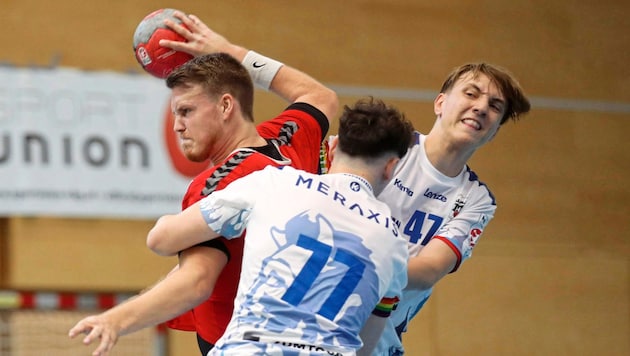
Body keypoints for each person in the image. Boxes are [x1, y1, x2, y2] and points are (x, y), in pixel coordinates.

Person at [68, 11, 338, 356]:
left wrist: (117, 320)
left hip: (241, 345)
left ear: (226, 105)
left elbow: (196, 280)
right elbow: (321, 98)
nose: (177, 126)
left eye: (186, 111)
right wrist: (233, 52)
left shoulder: (219, 184)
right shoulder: (286, 140)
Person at [146, 97, 414, 355]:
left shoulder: (276, 182)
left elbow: (162, 240)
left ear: (332, 149)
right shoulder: (394, 244)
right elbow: (365, 346)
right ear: (391, 167)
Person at [364, 63, 531, 355]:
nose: (480, 108)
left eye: (494, 106)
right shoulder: (387, 144)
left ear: (494, 132)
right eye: (471, 93)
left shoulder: (477, 199)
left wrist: (356, 261)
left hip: (377, 342)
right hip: (316, 315)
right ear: (440, 102)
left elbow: (428, 270)